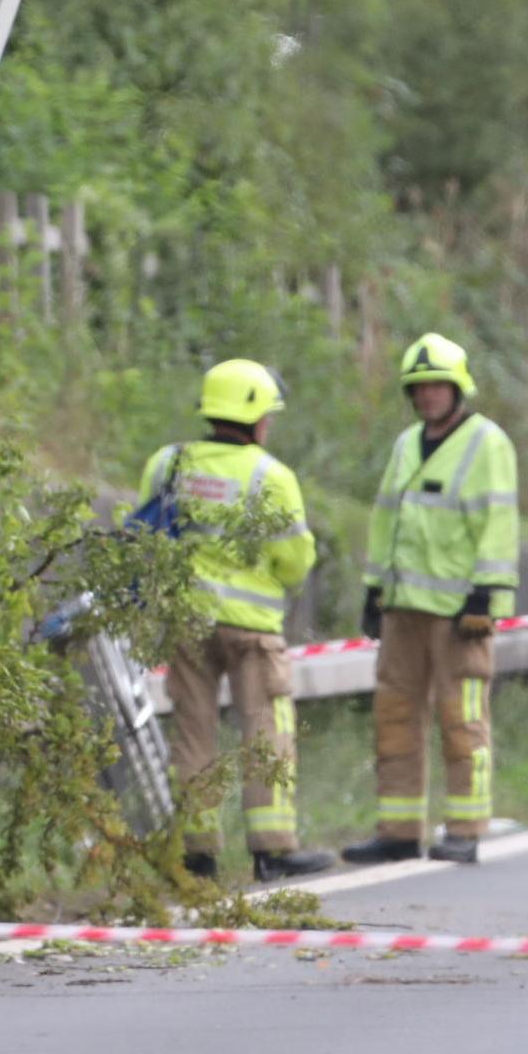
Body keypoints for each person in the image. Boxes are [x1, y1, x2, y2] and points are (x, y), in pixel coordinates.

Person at [139, 358, 335, 883]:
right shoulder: (271, 477)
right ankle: (272, 848)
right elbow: (296, 562)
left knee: (193, 733)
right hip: (251, 630)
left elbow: (146, 536)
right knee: (266, 732)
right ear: (253, 417)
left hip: (188, 623)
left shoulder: (169, 463)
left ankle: (197, 855)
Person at [341, 335, 519, 867]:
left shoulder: (488, 443)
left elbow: (500, 520)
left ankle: (465, 827)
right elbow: (386, 521)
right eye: (417, 389)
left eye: (436, 386)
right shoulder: (406, 444)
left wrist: (485, 596)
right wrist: (375, 591)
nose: (426, 397)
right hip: (403, 608)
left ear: (457, 387)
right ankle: (399, 830)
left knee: (461, 718)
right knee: (394, 715)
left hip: (460, 612)